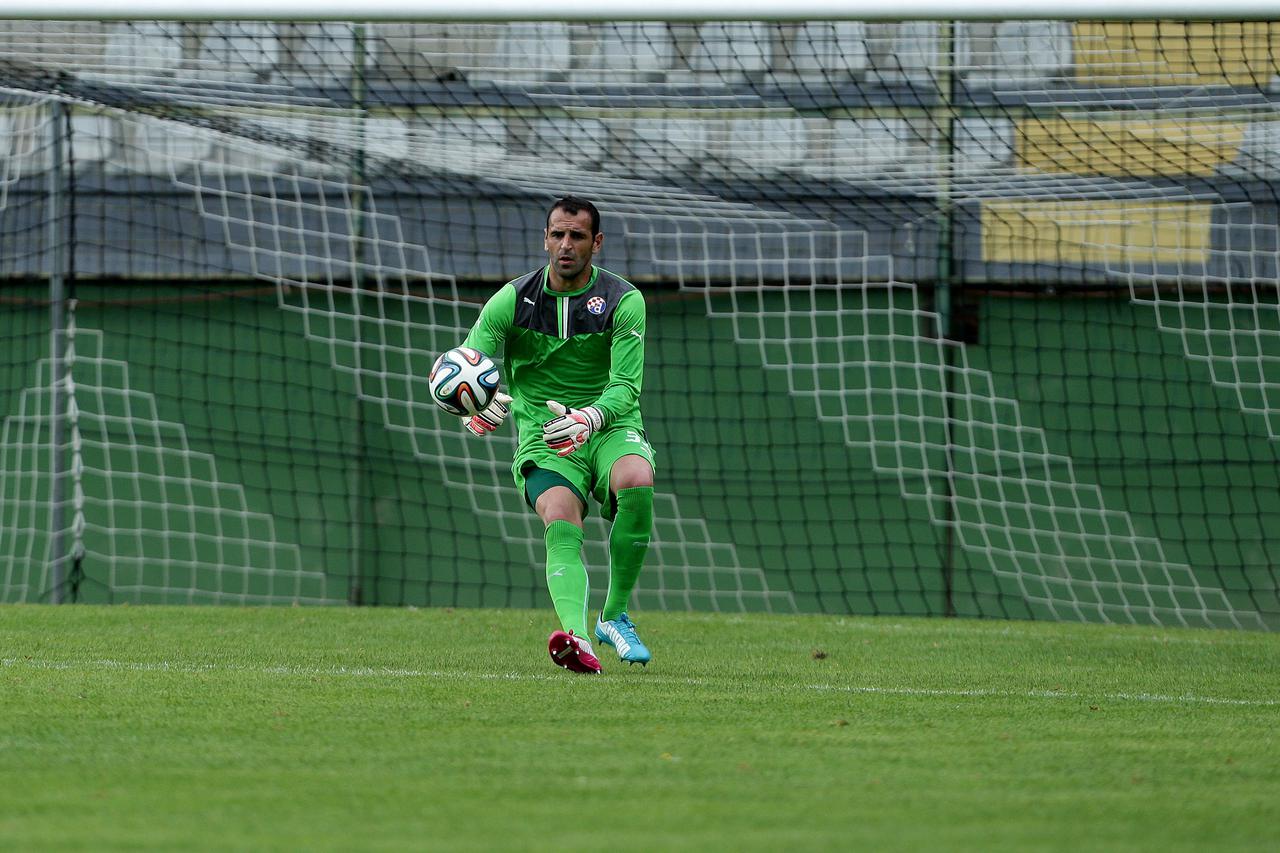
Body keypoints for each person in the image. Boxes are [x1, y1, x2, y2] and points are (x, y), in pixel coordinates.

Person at [456, 195, 655, 674]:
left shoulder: (624, 301)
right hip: (546, 437)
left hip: (608, 425)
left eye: (578, 236)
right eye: (558, 235)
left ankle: (613, 616)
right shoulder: (513, 298)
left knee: (636, 479)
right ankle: (578, 637)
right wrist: (478, 405)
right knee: (561, 514)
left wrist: (590, 418)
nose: (566, 245)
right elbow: (466, 363)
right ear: (545, 239)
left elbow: (626, 387)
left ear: (596, 242)